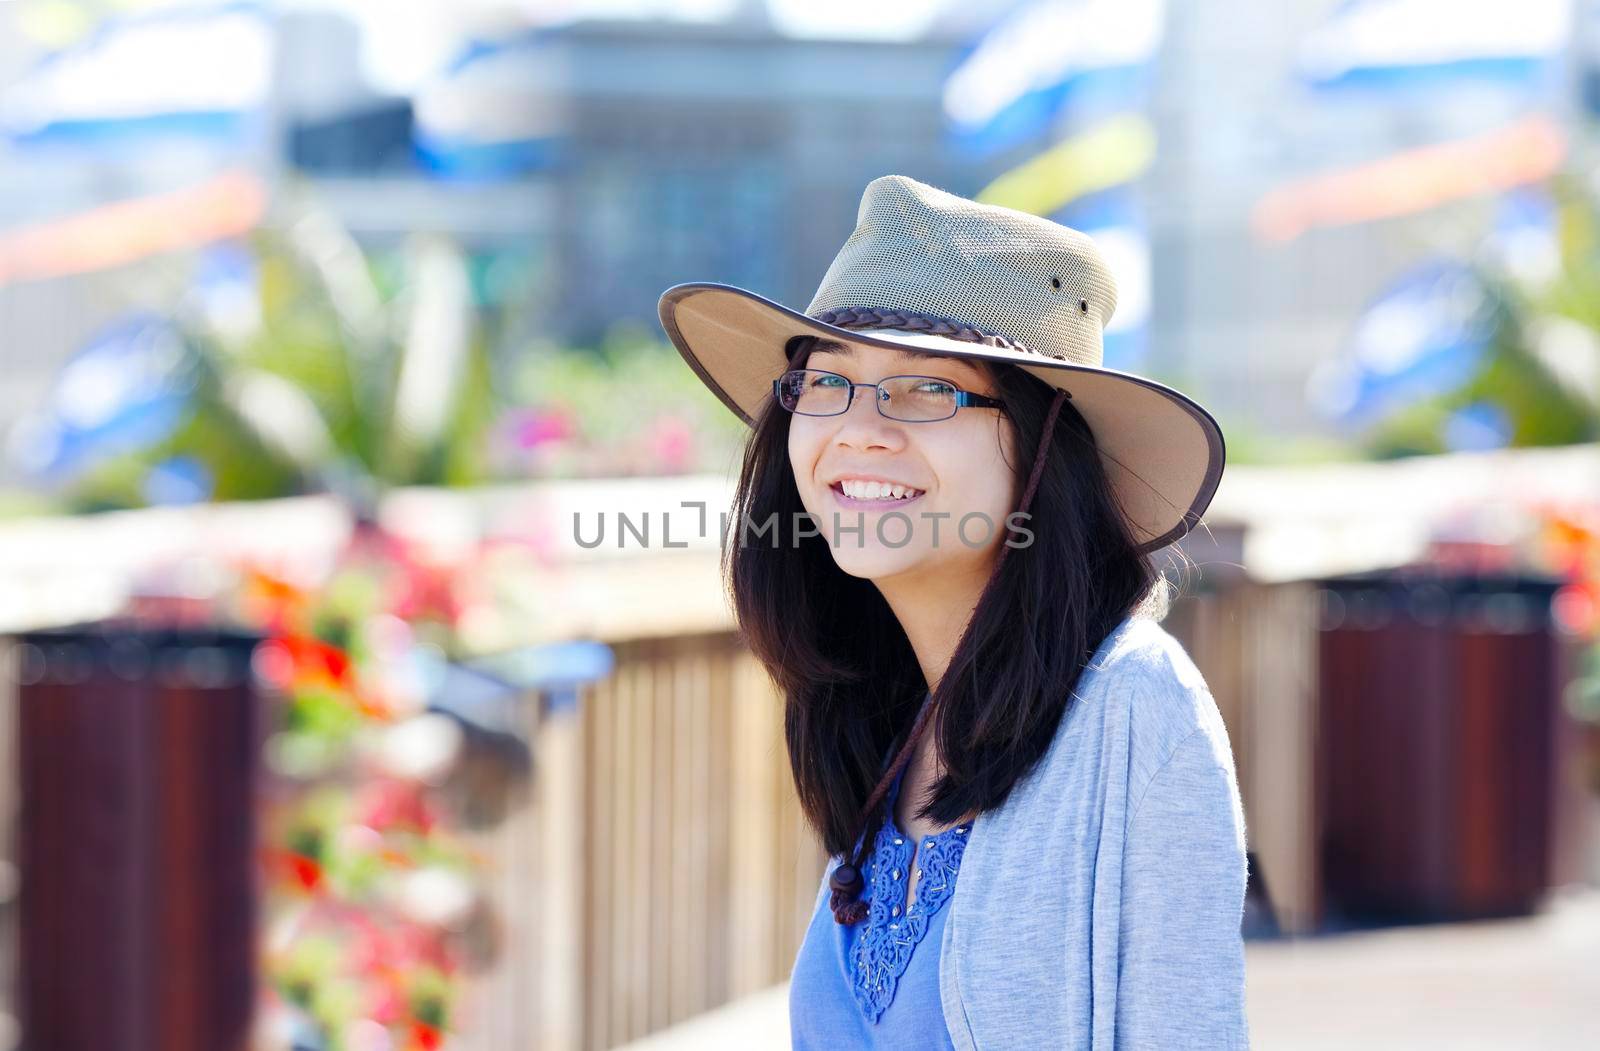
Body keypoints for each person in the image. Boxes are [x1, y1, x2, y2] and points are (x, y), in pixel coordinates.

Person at [657, 174, 1249, 1049]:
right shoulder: (890, 715)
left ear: (1045, 447)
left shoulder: (1137, 707)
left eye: (926, 390)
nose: (858, 430)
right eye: (827, 383)